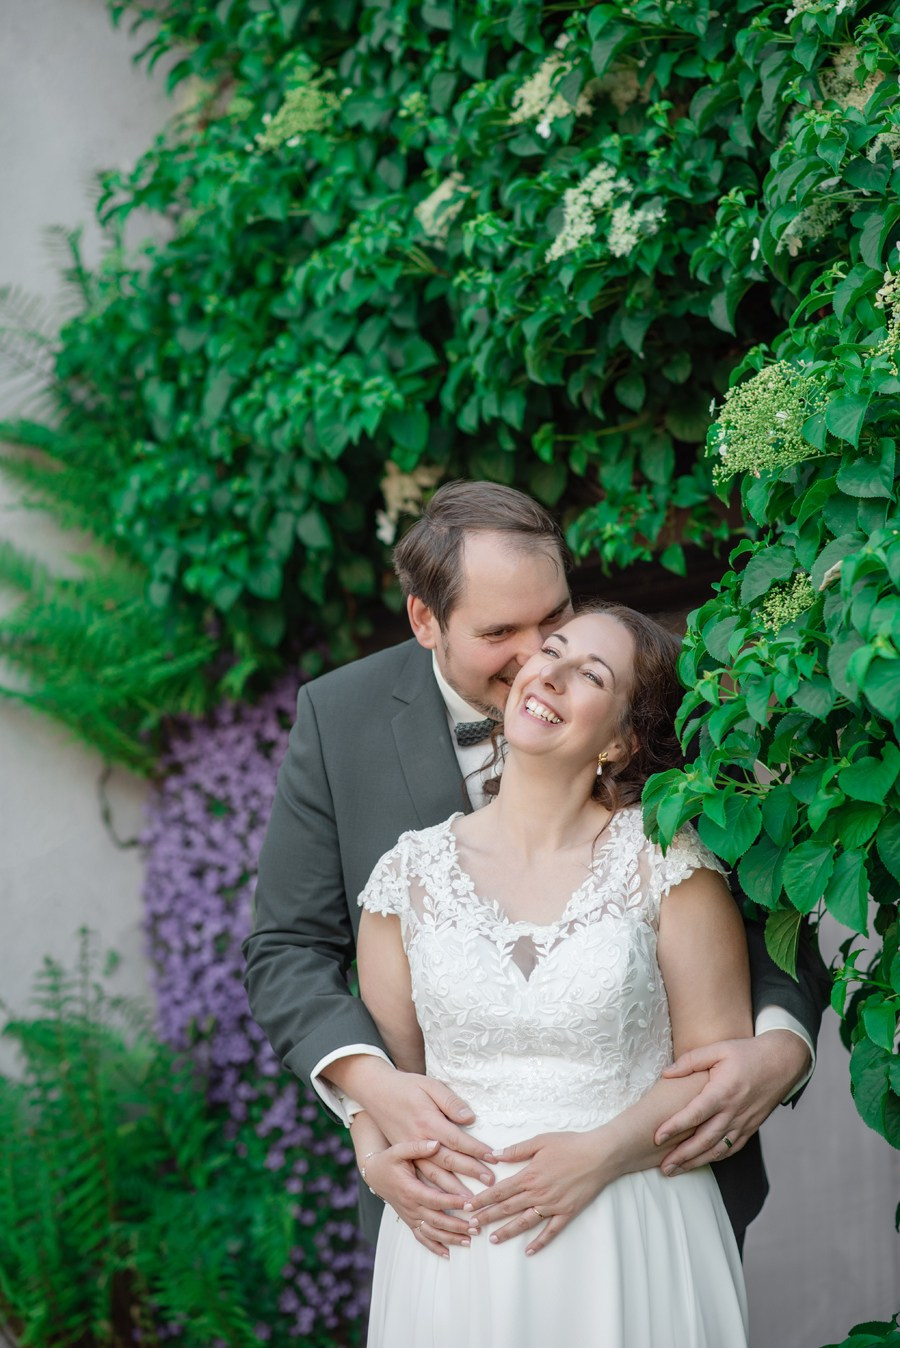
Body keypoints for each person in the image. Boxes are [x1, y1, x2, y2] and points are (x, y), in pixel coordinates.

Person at [243, 480, 828, 1252]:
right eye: (500, 632)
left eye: (553, 619)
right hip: (446, 1217)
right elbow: (286, 948)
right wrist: (371, 1101)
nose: (535, 661)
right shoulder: (339, 718)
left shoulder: (641, 701)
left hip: (655, 1197)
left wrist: (781, 1045)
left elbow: (770, 901)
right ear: (426, 619)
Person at [352, 604, 750, 1345]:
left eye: (591, 674)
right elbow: (396, 1083)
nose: (551, 675)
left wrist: (600, 1155)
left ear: (621, 740)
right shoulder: (406, 878)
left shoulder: (668, 863)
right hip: (457, 1255)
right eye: (552, 653)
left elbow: (716, 1072)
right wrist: (375, 1157)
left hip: (631, 1233)